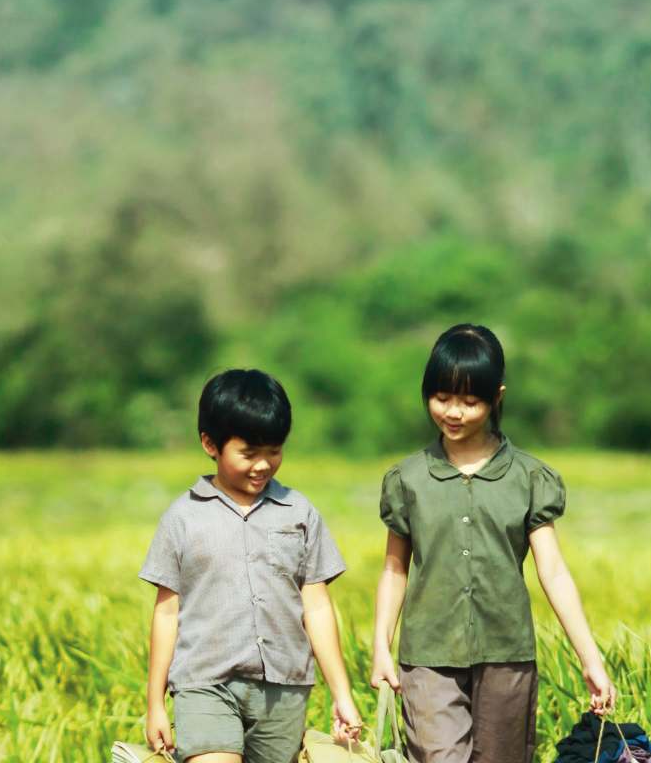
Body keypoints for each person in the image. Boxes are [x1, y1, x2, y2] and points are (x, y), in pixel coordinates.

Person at [370, 323, 615, 762]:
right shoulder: (407, 479)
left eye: (470, 401)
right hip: (427, 655)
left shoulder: (529, 478)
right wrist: (380, 649)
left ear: (496, 396)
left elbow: (553, 571)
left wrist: (590, 658)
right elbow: (394, 569)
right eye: (442, 397)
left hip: (507, 655)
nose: (453, 412)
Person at [140, 369, 362, 762]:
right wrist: (154, 701)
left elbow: (317, 607)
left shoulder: (299, 512)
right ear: (210, 443)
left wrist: (341, 693)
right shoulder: (183, 517)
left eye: (274, 451)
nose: (263, 465)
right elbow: (167, 612)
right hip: (203, 682)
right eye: (249, 453)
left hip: (284, 690)